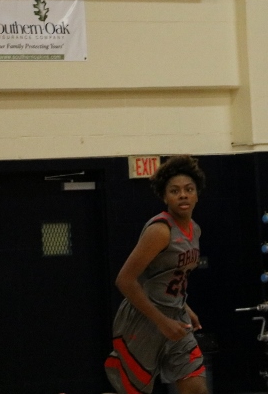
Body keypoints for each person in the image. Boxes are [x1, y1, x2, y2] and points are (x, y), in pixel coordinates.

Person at [105, 155, 208, 394]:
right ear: (164, 197)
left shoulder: (195, 230)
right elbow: (125, 280)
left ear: (196, 194)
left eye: (189, 189)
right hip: (144, 318)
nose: (183, 195)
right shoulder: (160, 231)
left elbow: (170, 276)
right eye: (175, 191)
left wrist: (185, 307)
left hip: (176, 315)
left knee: (196, 388)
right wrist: (161, 322)